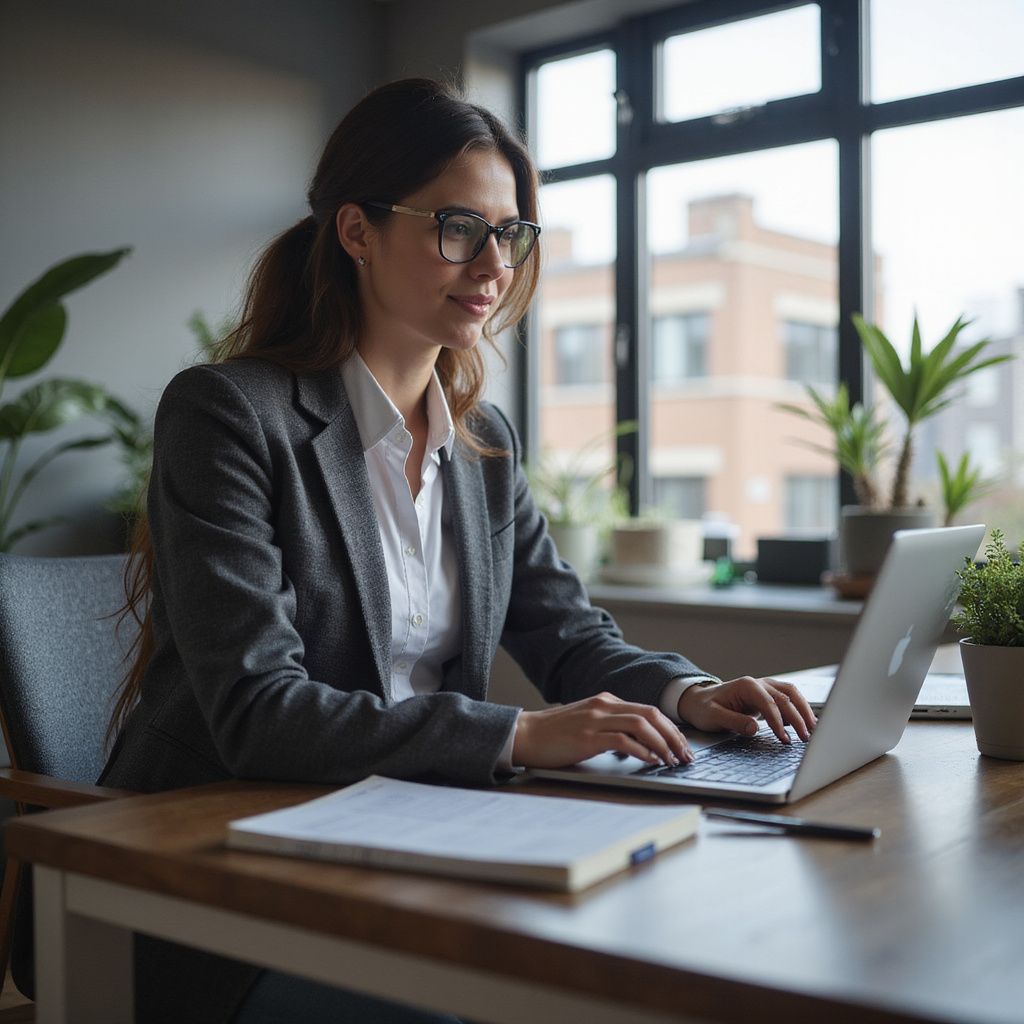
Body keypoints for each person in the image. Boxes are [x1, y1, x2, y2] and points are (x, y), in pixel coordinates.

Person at [96, 78, 815, 1024]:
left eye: (511, 233)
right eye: (457, 227)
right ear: (356, 232)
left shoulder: (483, 443)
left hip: (419, 842)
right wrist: (519, 734)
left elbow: (568, 634)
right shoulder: (230, 414)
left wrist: (688, 694)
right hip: (216, 871)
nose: (493, 264)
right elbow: (257, 711)